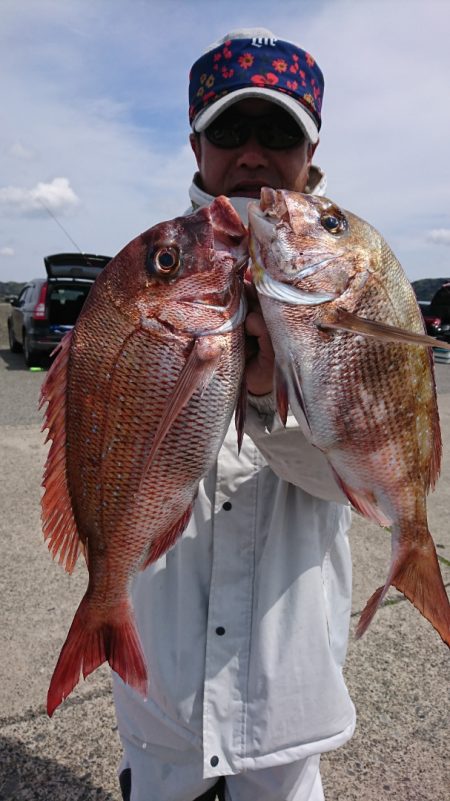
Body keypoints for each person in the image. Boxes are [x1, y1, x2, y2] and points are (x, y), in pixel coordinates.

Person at [113, 28, 355, 801]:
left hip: (285, 690)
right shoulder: (147, 275)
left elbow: (354, 476)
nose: (253, 152)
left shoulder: (353, 286)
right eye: (230, 129)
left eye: (278, 130)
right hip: (164, 680)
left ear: (311, 153)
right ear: (196, 145)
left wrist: (263, 397)